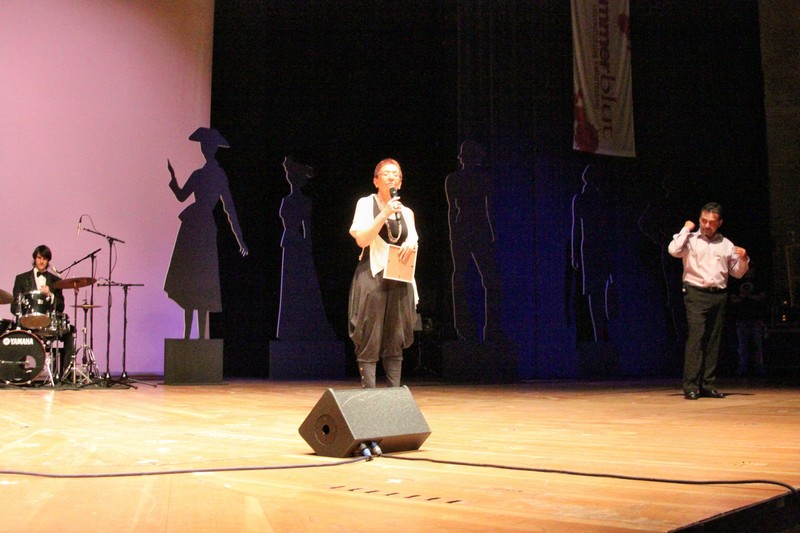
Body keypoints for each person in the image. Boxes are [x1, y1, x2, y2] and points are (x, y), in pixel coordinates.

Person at [164, 127, 248, 339]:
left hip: (198, 227)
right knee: (193, 279)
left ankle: (196, 337)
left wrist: (240, 239)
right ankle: (193, 337)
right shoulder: (207, 175)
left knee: (198, 279)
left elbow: (228, 209)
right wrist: (173, 178)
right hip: (196, 227)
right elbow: (184, 196)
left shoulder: (209, 175)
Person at [348, 158, 419, 388]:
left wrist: (411, 243)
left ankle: (394, 396)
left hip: (399, 278)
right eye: (386, 174)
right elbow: (362, 239)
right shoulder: (366, 204)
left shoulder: (406, 212)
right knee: (370, 332)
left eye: (396, 175)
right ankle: (369, 394)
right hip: (373, 275)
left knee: (395, 336)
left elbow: (413, 238)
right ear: (376, 181)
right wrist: (384, 213)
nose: (392, 178)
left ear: (401, 182)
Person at [668, 202, 749, 399]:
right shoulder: (690, 239)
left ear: (719, 223)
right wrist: (685, 229)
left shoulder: (726, 244)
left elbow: (737, 273)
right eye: (703, 221)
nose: (706, 225)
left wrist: (744, 258)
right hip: (696, 293)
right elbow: (673, 250)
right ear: (699, 219)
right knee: (697, 338)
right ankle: (691, 385)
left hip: (719, 294)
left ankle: (707, 384)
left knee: (714, 339)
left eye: (711, 222)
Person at [11, 245, 76, 379]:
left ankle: (65, 375)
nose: (41, 261)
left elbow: (61, 306)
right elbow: (13, 307)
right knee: (14, 331)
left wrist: (51, 295)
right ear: (35, 259)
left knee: (70, 331)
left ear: (48, 261)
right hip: (27, 324)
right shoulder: (21, 278)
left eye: (45, 259)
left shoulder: (55, 281)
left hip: (48, 324)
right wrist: (22, 312)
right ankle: (18, 375)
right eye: (39, 258)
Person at [729, 267, 767, 377]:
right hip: (741, 318)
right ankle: (742, 368)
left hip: (756, 318)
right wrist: (743, 297)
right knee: (742, 345)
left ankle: (758, 367)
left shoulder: (758, 282)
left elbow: (762, 296)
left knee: (757, 345)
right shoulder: (737, 282)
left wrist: (749, 297)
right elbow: (733, 299)